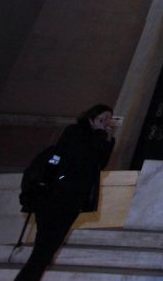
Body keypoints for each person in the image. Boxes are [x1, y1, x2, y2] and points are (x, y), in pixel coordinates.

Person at [15, 104, 115, 281]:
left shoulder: (102, 138)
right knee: (44, 247)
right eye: (103, 117)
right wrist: (99, 134)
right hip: (54, 194)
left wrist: (107, 140)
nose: (106, 121)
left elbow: (100, 163)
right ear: (92, 117)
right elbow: (77, 156)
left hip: (73, 199)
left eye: (109, 118)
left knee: (48, 248)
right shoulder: (75, 131)